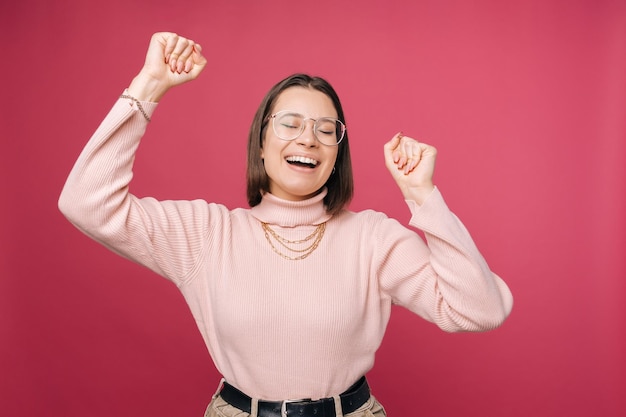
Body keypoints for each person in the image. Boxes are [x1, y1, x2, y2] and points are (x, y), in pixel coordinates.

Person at [59, 32, 513, 417]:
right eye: (290, 124)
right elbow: (86, 202)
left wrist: (422, 195)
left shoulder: (373, 238)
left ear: (336, 155)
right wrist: (149, 85)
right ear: (260, 143)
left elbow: (480, 309)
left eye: (324, 129)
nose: (307, 139)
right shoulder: (206, 234)